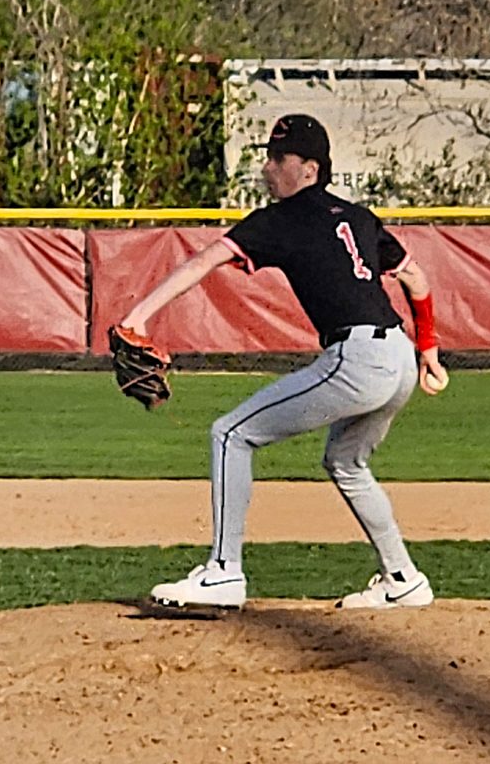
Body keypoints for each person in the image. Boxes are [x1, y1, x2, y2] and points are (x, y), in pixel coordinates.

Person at [119, 113, 448, 610]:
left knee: (231, 433)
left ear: (309, 168)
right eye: (267, 157)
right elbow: (416, 281)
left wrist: (137, 318)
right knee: (346, 462)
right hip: (398, 356)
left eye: (279, 159)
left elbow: (202, 262)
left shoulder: (280, 218)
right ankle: (403, 578)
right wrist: (428, 351)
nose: (268, 168)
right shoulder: (358, 216)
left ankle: (224, 571)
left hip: (357, 357)